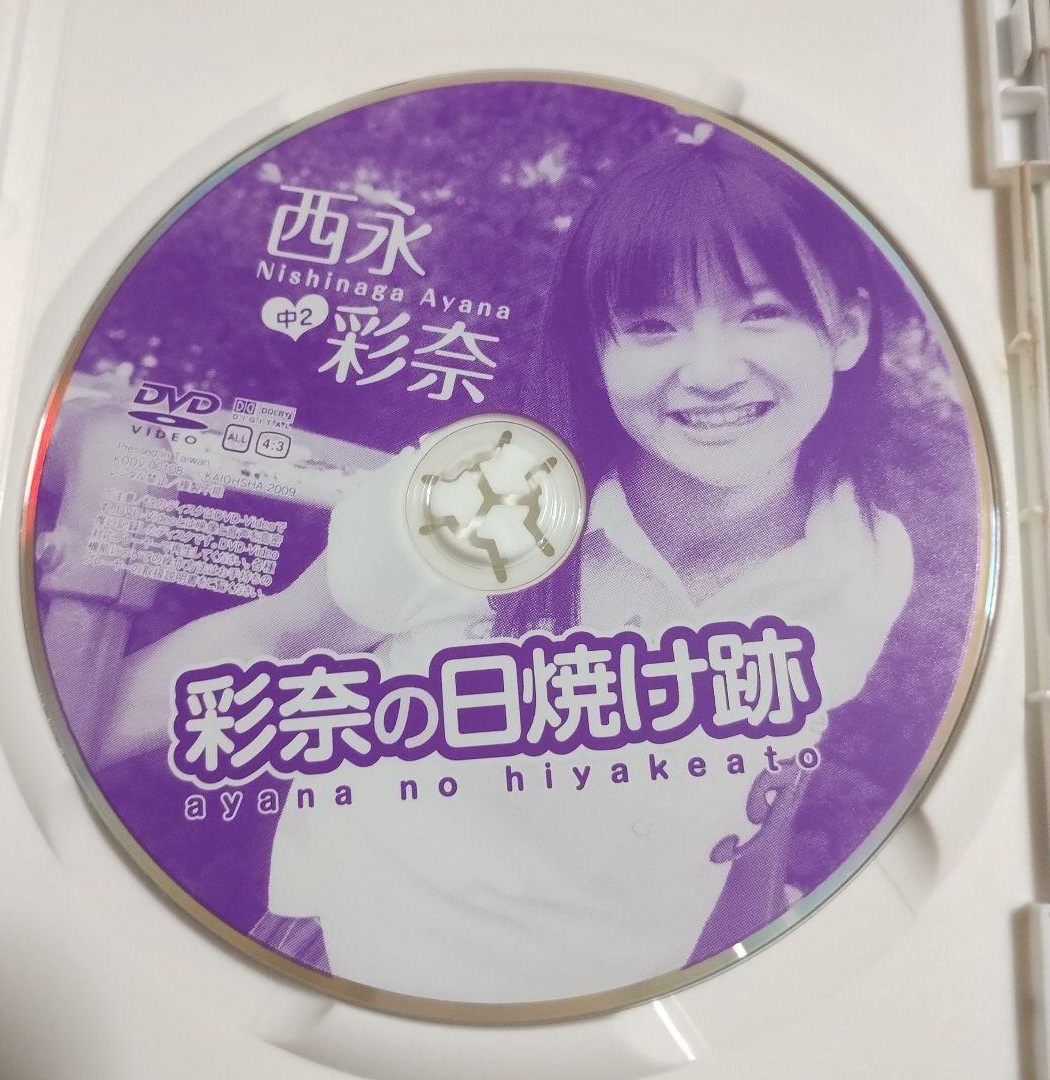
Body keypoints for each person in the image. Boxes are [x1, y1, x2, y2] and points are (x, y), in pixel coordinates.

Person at [107, 123, 914, 1004]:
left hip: (606, 1033)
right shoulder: (480, 492)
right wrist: (36, 752)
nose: (711, 370)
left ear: (846, 329)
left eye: (763, 312)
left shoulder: (869, 561)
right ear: (597, 353)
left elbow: (769, 787)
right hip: (349, 987)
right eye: (653, 325)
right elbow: (271, 641)